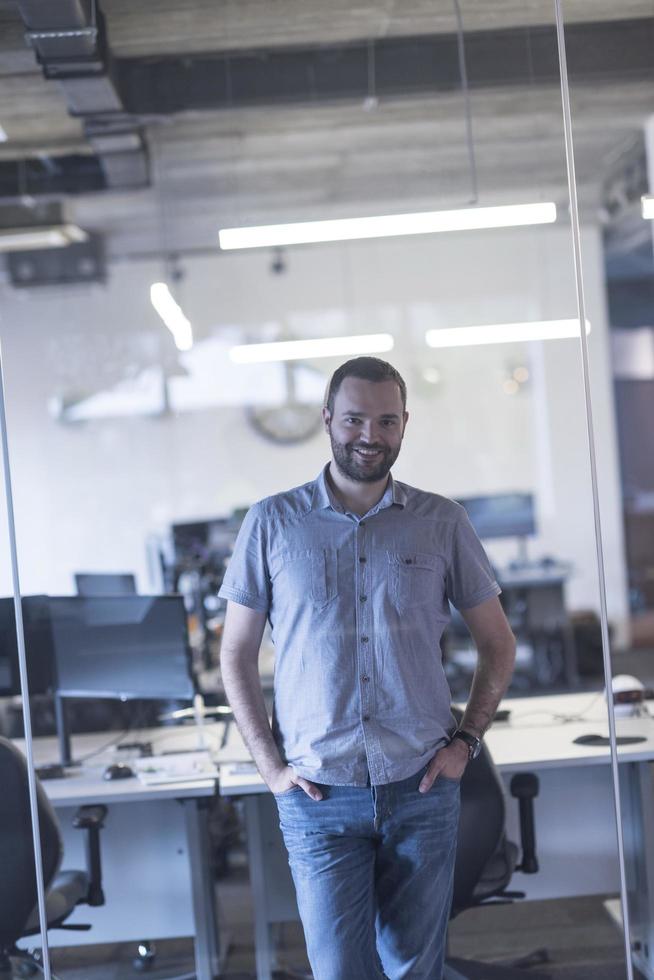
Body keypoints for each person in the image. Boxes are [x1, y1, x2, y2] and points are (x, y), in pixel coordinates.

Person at [219, 356, 516, 980]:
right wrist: (270, 767)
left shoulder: (442, 522)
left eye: (386, 421)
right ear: (328, 420)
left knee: (414, 968)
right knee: (339, 971)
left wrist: (467, 742)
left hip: (422, 786)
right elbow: (236, 653)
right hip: (316, 790)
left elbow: (498, 643)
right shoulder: (272, 523)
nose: (370, 436)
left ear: (405, 424)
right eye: (354, 419)